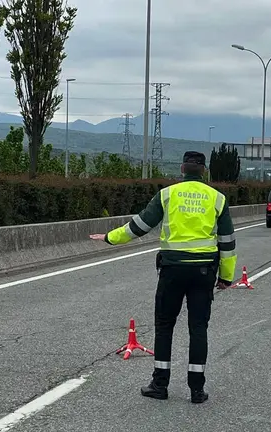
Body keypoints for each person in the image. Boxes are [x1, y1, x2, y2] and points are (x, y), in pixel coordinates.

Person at [89, 151, 237, 404]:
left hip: (172, 270)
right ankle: (197, 390)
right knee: (198, 328)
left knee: (165, 325)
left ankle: (160, 385)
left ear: (182, 168)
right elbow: (227, 242)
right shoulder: (217, 198)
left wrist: (110, 237)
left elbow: (140, 226)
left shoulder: (168, 195)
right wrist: (226, 276)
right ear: (204, 170)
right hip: (203, 271)